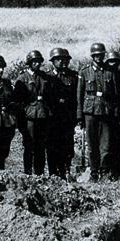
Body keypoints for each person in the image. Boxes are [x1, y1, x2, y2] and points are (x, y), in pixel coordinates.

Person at [77, 43, 120, 182]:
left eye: (101, 55)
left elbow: (116, 95)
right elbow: (79, 95)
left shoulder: (110, 72)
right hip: (90, 110)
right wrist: (80, 115)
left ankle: (104, 170)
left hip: (106, 111)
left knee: (105, 144)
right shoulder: (84, 72)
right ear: (92, 56)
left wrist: (116, 112)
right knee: (92, 143)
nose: (99, 58)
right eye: (96, 55)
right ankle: (93, 171)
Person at [15, 50, 53, 175]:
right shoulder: (22, 78)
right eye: (34, 62)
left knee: (41, 146)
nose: (37, 64)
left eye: (39, 62)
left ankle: (39, 172)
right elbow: (18, 102)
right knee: (29, 145)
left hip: (43, 115)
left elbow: (49, 97)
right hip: (29, 116)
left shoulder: (44, 77)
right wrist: (20, 121)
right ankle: (28, 172)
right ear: (29, 63)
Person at [46, 48, 78, 179]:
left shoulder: (73, 76)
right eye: (59, 59)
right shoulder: (47, 77)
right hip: (52, 118)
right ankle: (53, 173)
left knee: (67, 146)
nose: (62, 62)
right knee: (52, 145)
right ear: (53, 61)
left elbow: (77, 97)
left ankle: (66, 170)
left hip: (67, 117)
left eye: (65, 60)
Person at [105, 51, 120, 180]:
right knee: (106, 144)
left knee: (118, 145)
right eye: (110, 61)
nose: (113, 64)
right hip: (107, 114)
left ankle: (118, 173)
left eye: (115, 61)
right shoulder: (104, 76)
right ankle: (108, 172)